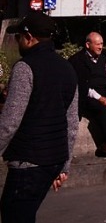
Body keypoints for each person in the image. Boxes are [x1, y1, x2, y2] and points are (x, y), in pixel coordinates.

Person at [0, 12, 78, 222]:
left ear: (28, 37)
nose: (17, 42)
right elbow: (71, 124)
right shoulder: (68, 68)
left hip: (28, 159)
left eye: (18, 37)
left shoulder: (25, 67)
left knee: (14, 216)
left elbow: (10, 122)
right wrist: (65, 165)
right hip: (53, 159)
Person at [68, 32, 106, 158]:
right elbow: (82, 86)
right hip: (88, 95)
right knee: (103, 108)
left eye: (102, 44)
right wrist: (100, 98)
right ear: (88, 45)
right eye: (97, 44)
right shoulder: (77, 60)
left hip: (104, 91)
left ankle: (105, 144)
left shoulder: (104, 57)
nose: (100, 47)